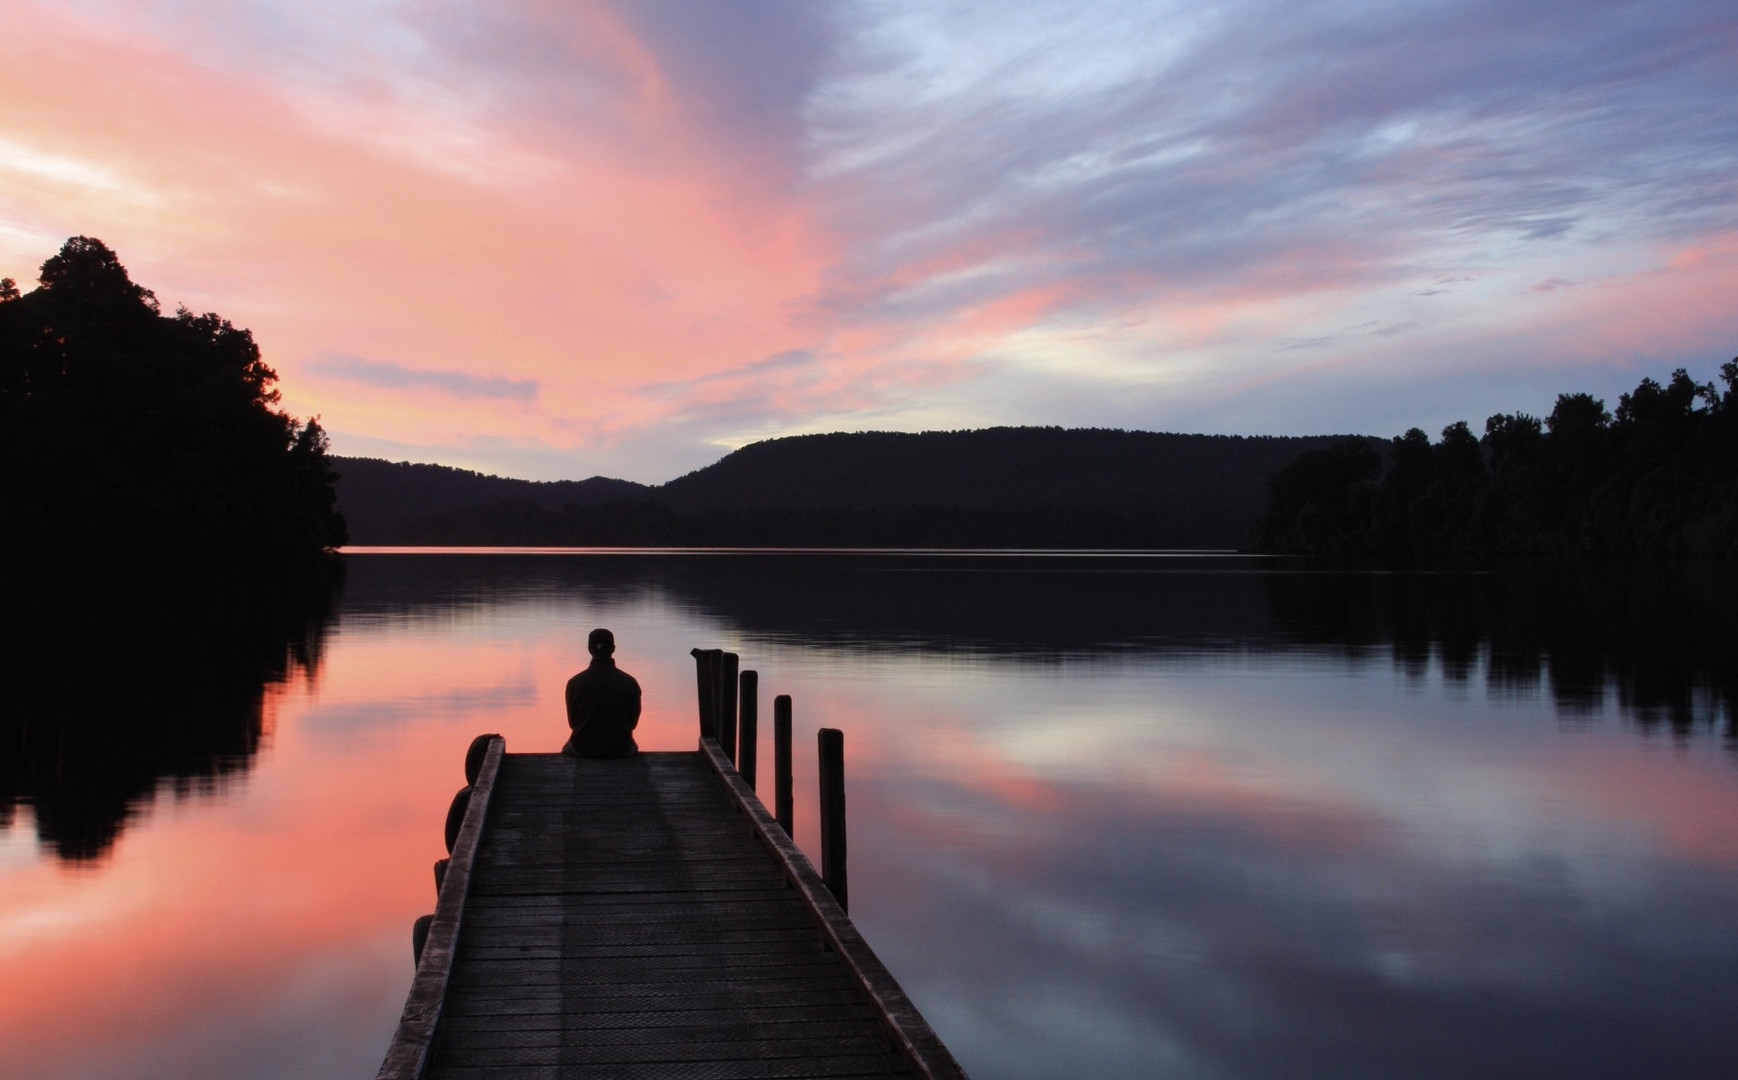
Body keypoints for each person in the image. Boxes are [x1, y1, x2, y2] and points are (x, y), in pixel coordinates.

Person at [563, 628, 641, 758]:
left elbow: (573, 723)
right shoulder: (630, 682)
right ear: (613, 649)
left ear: (589, 649)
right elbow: (632, 723)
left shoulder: (574, 683)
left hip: (583, 749)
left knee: (567, 747)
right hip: (620, 748)